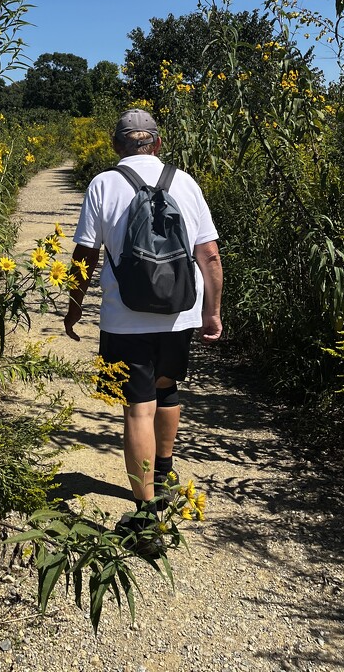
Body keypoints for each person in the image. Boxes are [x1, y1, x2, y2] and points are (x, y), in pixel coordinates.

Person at [63, 108, 222, 540]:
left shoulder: (103, 183)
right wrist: (212, 311)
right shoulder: (184, 182)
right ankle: (165, 475)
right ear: (157, 142)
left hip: (124, 315)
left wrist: (75, 306)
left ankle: (146, 515)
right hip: (178, 312)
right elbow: (208, 255)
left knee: (138, 406)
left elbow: (85, 256)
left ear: (116, 146)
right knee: (167, 388)